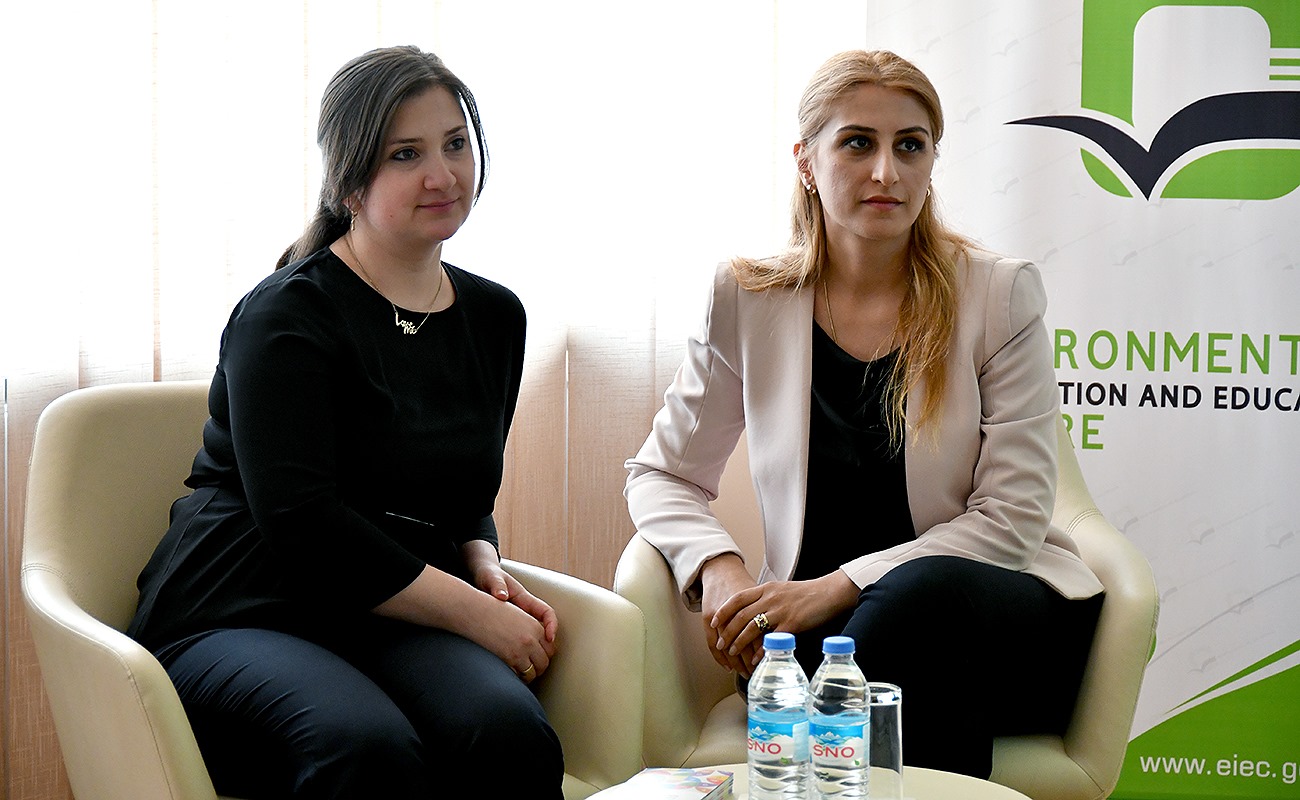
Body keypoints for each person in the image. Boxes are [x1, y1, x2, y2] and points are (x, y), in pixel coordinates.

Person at [624, 49, 1105, 778]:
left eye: (910, 146)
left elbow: (1012, 520)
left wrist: (838, 587)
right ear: (806, 162)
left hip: (991, 620)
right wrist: (720, 568)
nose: (887, 172)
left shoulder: (998, 295)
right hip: (815, 644)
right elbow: (662, 475)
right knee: (870, 664)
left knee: (917, 606)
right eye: (858, 143)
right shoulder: (747, 299)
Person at [128, 46, 564, 799]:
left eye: (455, 144)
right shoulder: (285, 315)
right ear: (349, 182)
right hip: (241, 606)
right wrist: (473, 615)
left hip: (388, 606)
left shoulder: (496, 317)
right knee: (363, 746)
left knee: (507, 732)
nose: (443, 175)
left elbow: (460, 492)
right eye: (406, 154)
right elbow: (302, 523)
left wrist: (482, 559)